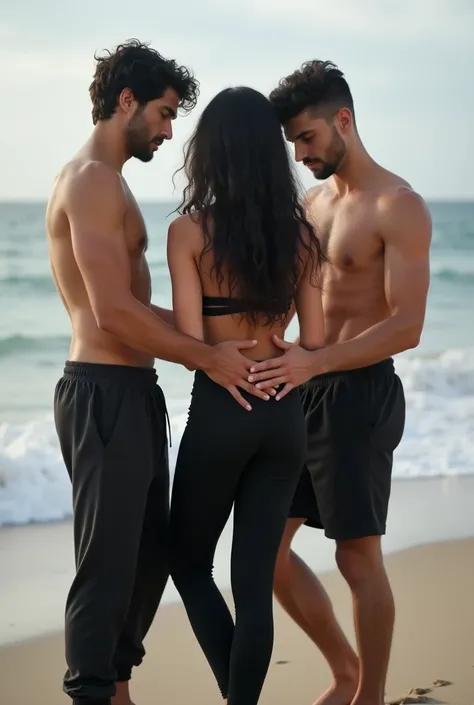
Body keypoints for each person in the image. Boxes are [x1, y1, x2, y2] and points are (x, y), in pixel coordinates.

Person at [46, 41, 272, 705]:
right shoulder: (87, 180)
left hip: (136, 393)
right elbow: (112, 311)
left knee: (150, 559)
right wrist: (208, 356)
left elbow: (139, 304)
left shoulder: (111, 184)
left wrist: (233, 332)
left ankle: (117, 688)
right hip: (102, 392)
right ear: (126, 102)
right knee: (108, 566)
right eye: (165, 113)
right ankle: (92, 691)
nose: (171, 130)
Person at [248, 61, 432, 705]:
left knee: (357, 558)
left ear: (343, 120)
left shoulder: (399, 205)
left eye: (307, 138)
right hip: (307, 385)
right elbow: (300, 302)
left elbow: (407, 327)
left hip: (360, 392)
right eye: (294, 144)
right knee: (265, 550)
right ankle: (346, 670)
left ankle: (370, 697)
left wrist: (314, 362)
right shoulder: (313, 203)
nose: (300, 154)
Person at [166, 86, 326, 705]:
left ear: (210, 153)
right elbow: (311, 344)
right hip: (284, 412)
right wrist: (280, 362)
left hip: (222, 407)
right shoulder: (302, 237)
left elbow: (190, 342)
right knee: (253, 586)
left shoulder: (189, 231)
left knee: (189, 564)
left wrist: (219, 355)